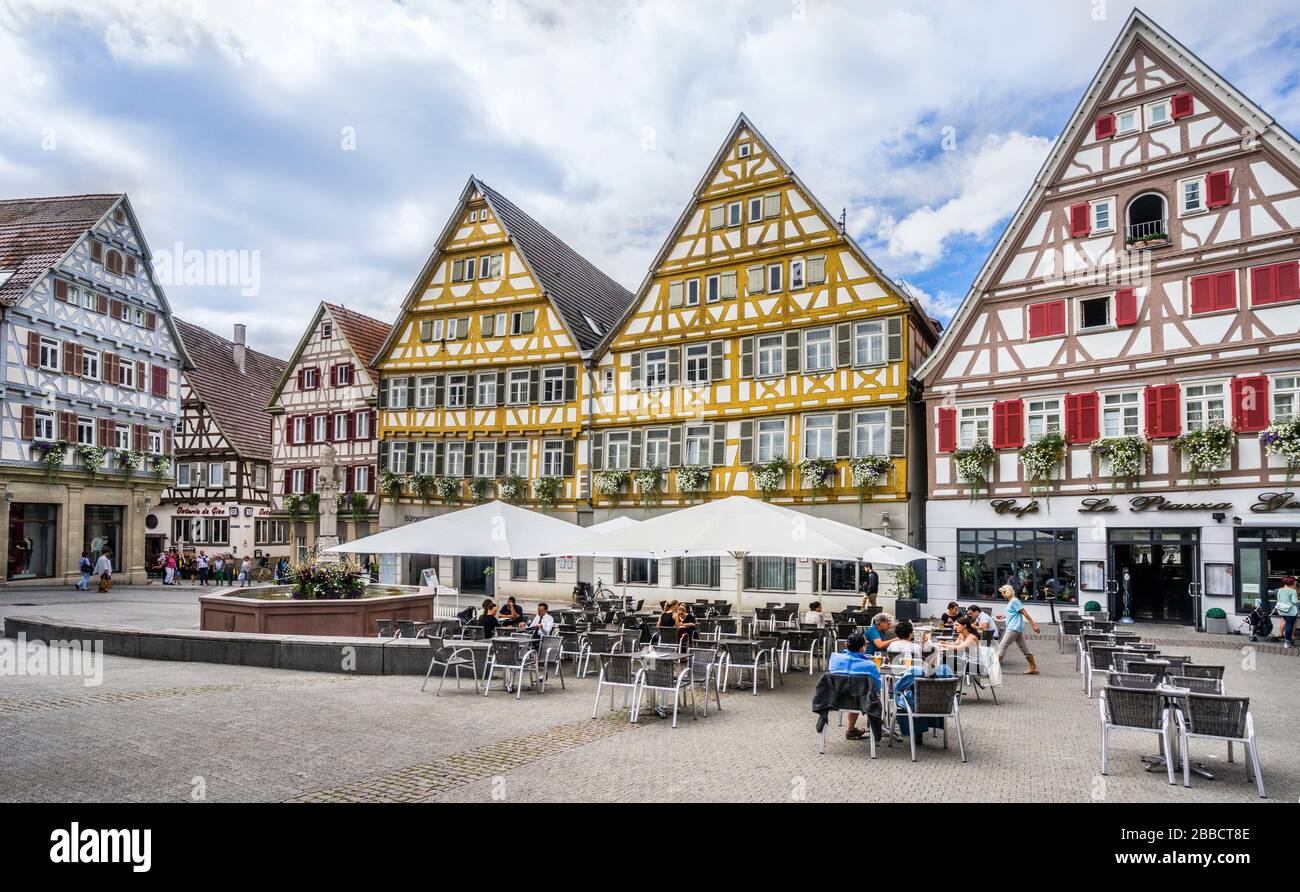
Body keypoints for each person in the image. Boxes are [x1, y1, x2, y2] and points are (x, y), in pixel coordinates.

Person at [827, 633, 882, 741]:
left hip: (834, 699)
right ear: (862, 649)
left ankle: (851, 730)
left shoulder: (834, 658)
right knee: (864, 693)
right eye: (866, 644)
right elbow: (877, 686)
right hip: (860, 701)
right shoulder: (869, 665)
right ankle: (877, 725)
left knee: (854, 690)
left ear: (846, 645)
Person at [996, 583, 1040, 674]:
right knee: (1025, 649)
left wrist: (1033, 625)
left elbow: (1024, 613)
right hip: (1016, 629)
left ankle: (992, 668)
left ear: (1006, 592)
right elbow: (1013, 613)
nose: (1001, 594)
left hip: (1013, 628)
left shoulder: (1014, 601)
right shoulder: (1011, 601)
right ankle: (1033, 668)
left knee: (1002, 646)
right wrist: (1003, 616)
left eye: (1002, 592)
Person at [1275, 576, 1298, 649]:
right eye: (1295, 583)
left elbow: (1278, 600)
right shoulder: (1293, 591)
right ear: (1292, 583)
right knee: (1289, 626)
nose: (1295, 584)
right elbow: (1295, 601)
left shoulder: (1280, 590)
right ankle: (1287, 642)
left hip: (1282, 611)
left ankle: (1289, 641)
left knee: (1288, 624)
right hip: (1291, 611)